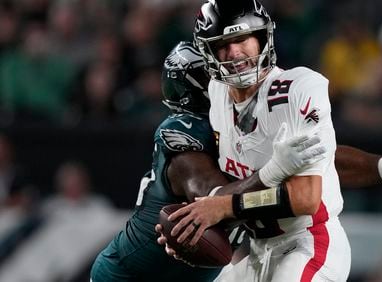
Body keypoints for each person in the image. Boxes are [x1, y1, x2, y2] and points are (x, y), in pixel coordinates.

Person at [165, 1, 382, 281]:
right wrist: (191, 226)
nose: (234, 53)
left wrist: (223, 206)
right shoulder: (216, 93)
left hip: (308, 243)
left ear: (262, 37)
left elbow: (305, 197)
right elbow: (324, 157)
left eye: (243, 39)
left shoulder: (297, 88)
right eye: (222, 45)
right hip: (257, 249)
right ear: (207, 53)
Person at [90, 41, 326, 282]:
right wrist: (275, 169)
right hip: (130, 276)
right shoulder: (188, 142)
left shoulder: (245, 124)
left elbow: (316, 153)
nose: (239, 79)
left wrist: (364, 167)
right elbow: (214, 201)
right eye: (225, 73)